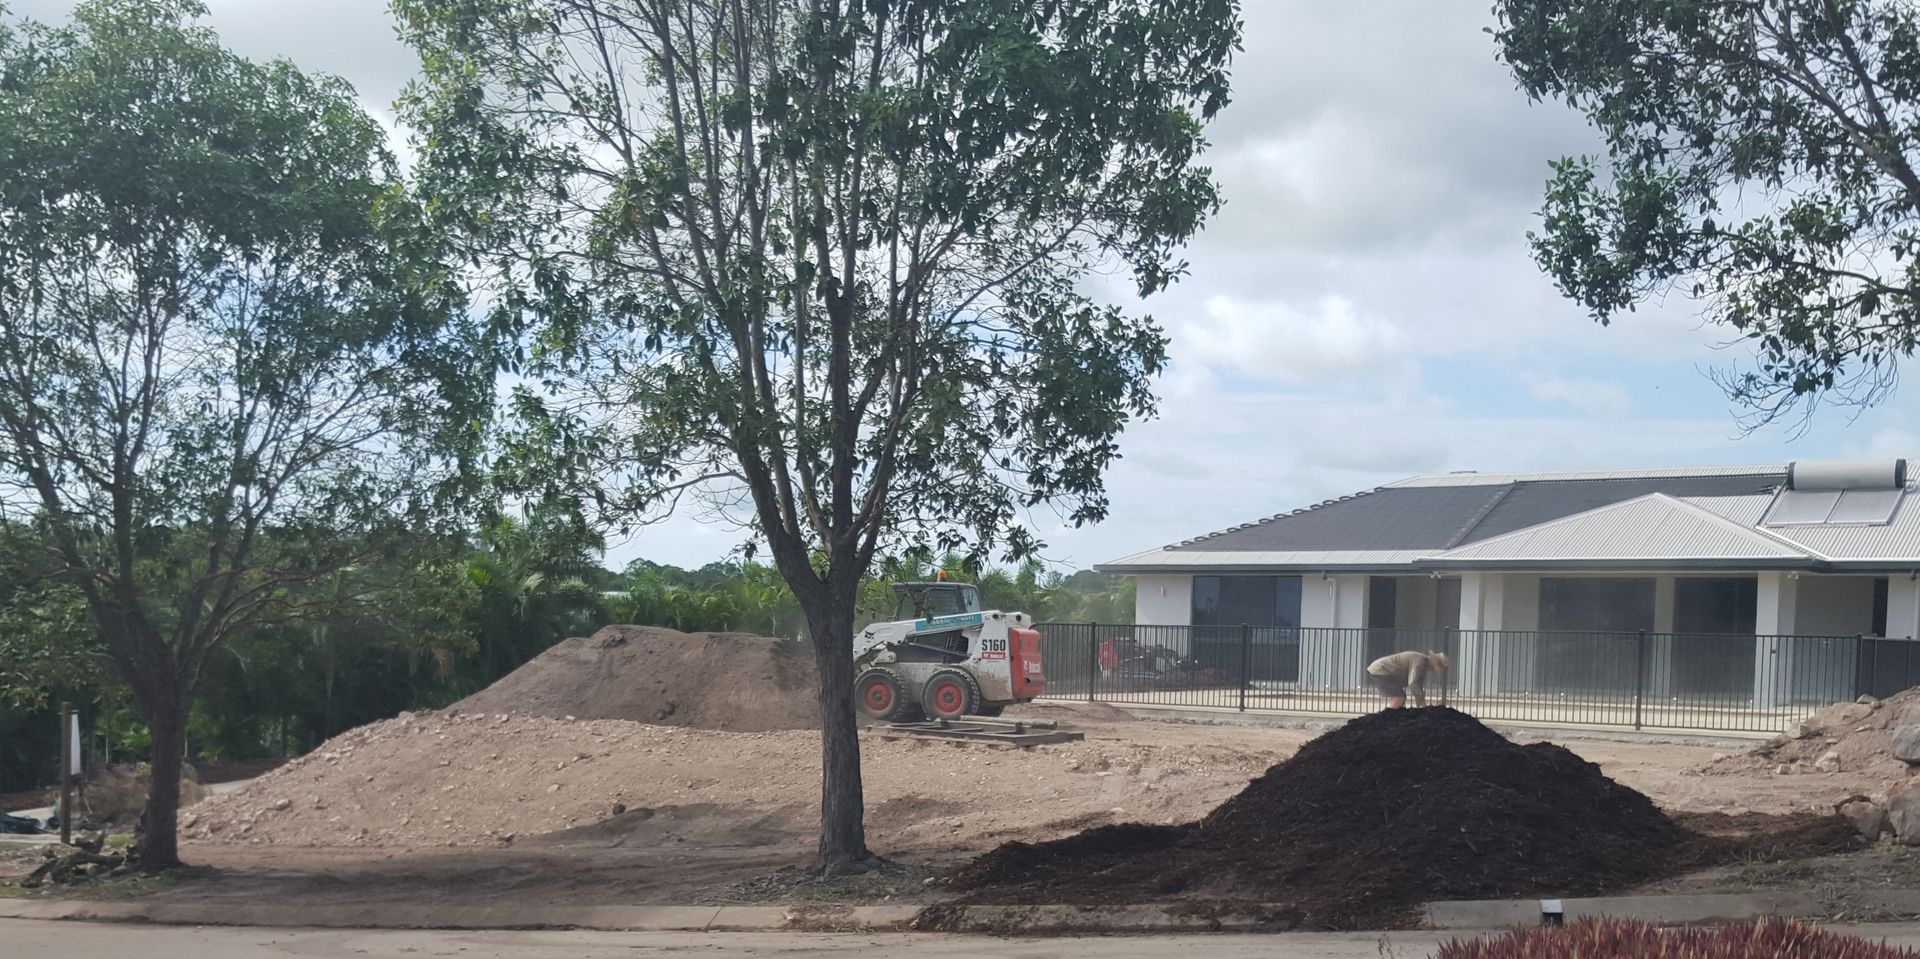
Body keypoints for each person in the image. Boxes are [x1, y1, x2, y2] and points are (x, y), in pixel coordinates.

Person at [1366, 650, 1450, 708]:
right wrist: (1421, 705)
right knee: (1399, 697)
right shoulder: (1422, 661)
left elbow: (1418, 685)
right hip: (1380, 671)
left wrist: (1421, 703)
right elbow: (1413, 683)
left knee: (1400, 697)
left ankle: (1392, 718)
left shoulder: (1423, 666)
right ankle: (1386, 719)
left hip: (1383, 671)